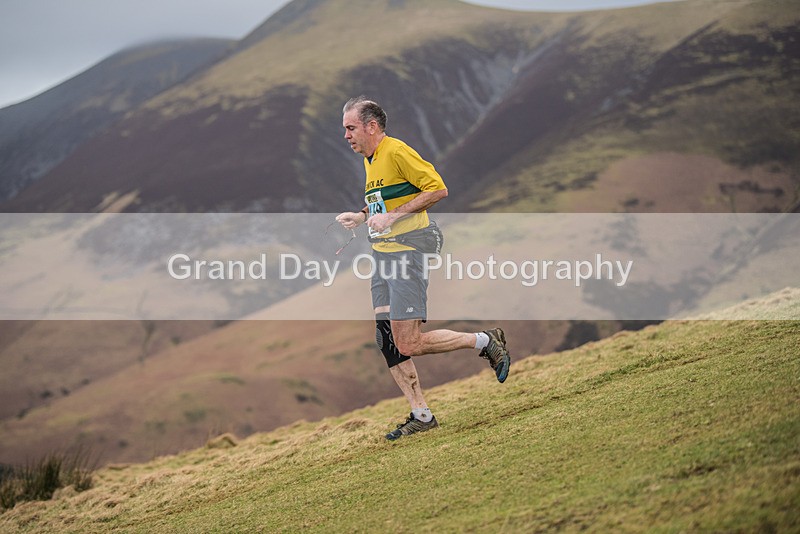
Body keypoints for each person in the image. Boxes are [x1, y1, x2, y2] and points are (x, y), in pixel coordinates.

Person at [335, 96, 511, 441]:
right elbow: (386, 204)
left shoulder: (397, 151)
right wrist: (363, 217)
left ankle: (485, 341)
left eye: (350, 127)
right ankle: (421, 415)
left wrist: (394, 217)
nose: (346, 136)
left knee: (409, 343)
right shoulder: (370, 160)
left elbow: (437, 189)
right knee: (386, 340)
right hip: (384, 256)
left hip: (407, 254)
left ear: (371, 126)